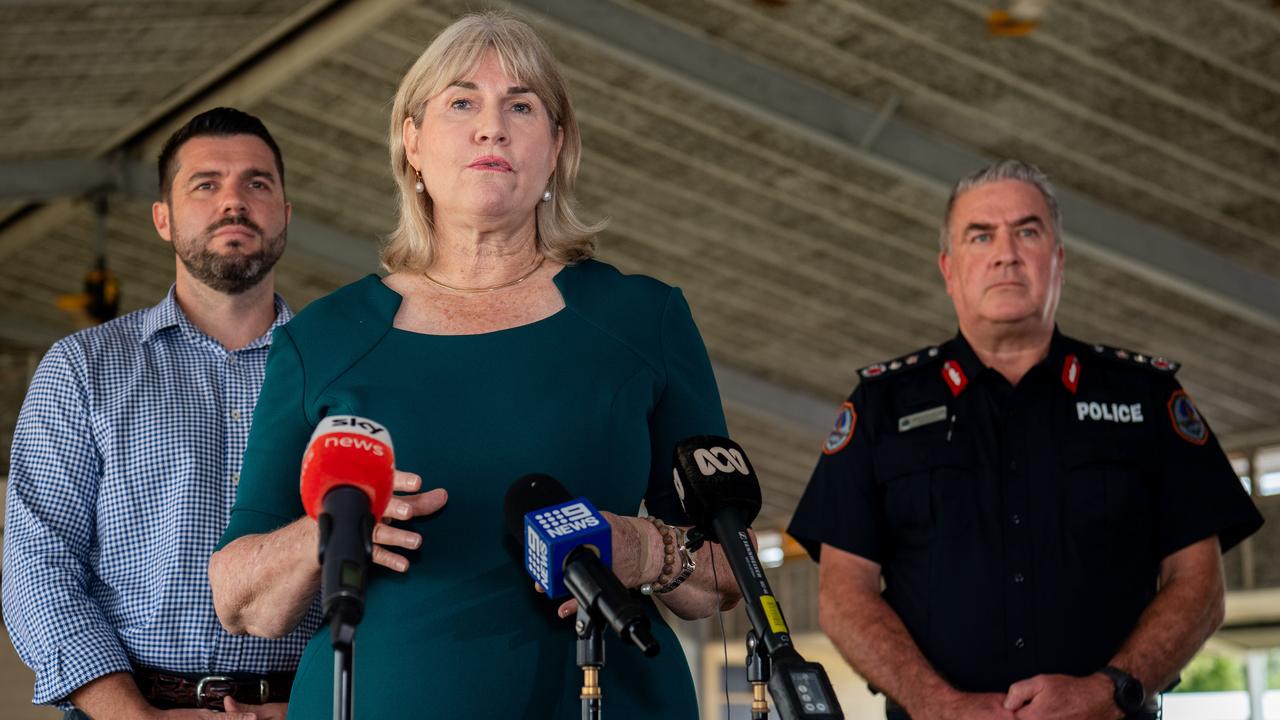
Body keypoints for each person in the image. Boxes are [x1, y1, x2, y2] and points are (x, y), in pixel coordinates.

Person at [207, 11, 741, 717]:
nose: (492, 126)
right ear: (413, 144)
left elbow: (728, 571)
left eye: (521, 106)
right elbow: (238, 599)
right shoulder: (326, 336)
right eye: (462, 102)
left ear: (556, 148)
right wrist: (328, 532)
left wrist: (642, 550)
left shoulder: (642, 319)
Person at [788, 160, 1264, 720]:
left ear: (1058, 260)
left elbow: (1201, 585)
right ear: (949, 268)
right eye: (981, 235)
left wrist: (1110, 691)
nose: (1005, 252)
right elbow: (844, 597)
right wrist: (938, 705)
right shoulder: (880, 408)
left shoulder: (1146, 398)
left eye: (1028, 231)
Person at [3, 108, 312, 719]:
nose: (234, 201)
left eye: (257, 183)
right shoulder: (83, 368)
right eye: (206, 184)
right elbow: (38, 564)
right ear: (162, 219)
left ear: (285, 213)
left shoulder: (343, 371)